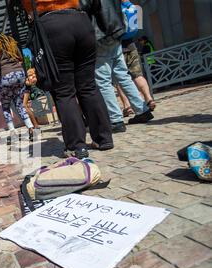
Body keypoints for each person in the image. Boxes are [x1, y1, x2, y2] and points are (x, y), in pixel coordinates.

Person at [21, 0, 114, 158]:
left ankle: (76, 145)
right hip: (80, 21)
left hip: (52, 25)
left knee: (64, 92)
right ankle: (103, 138)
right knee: (89, 86)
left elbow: (29, 9)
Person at [86, 0, 155, 133]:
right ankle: (142, 110)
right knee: (123, 75)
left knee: (103, 80)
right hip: (116, 32)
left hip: (101, 35)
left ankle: (116, 120)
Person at [0, 28, 35, 142]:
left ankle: (13, 132)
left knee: (6, 106)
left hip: (6, 76)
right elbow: (20, 58)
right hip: (20, 74)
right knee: (19, 104)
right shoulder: (9, 40)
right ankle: (31, 128)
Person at [120, 0, 156, 113]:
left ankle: (127, 106)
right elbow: (137, 24)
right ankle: (149, 99)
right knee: (138, 75)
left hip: (118, 48)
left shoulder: (113, 7)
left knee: (119, 80)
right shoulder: (131, 7)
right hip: (131, 46)